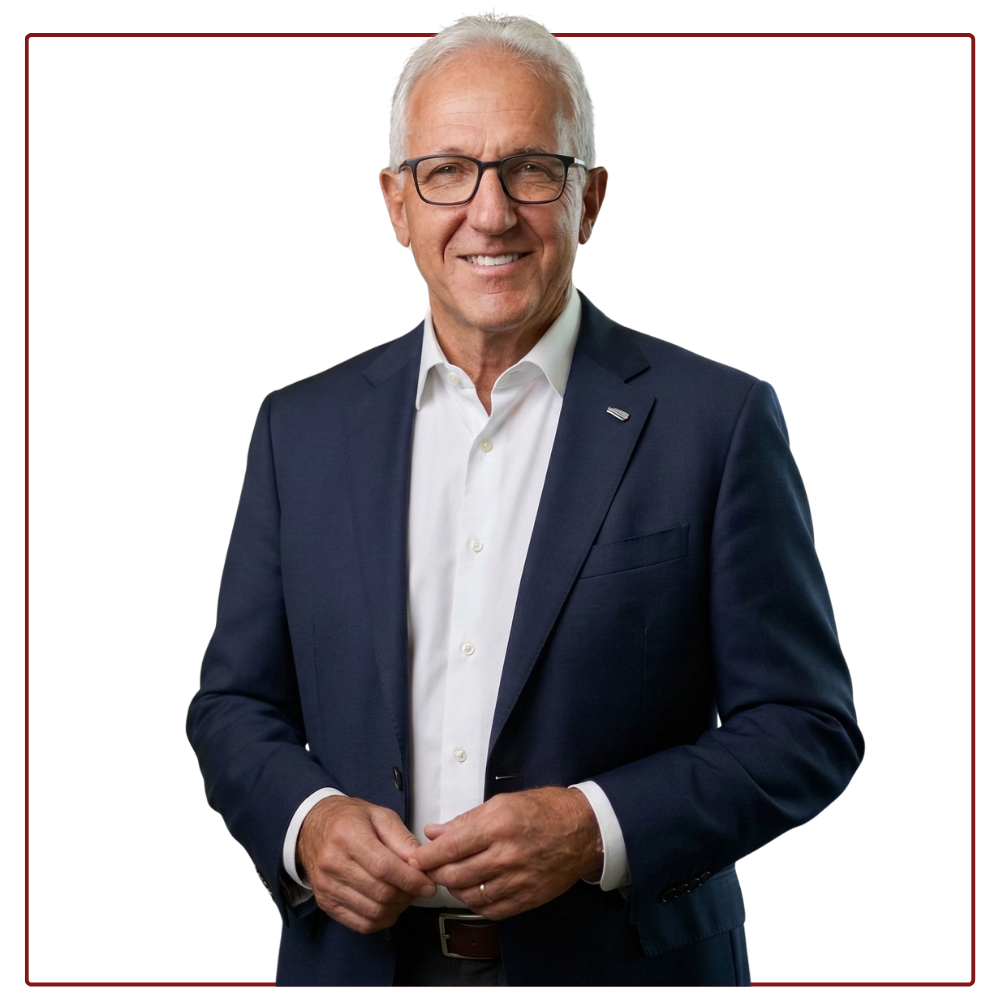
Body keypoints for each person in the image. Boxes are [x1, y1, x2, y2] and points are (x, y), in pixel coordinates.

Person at [187, 14, 863, 987]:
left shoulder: (718, 421)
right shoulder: (299, 427)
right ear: (396, 205)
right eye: (447, 171)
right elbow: (234, 704)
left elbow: (806, 725)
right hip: (355, 968)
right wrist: (306, 820)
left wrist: (593, 826)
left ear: (589, 199)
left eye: (531, 169)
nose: (491, 212)